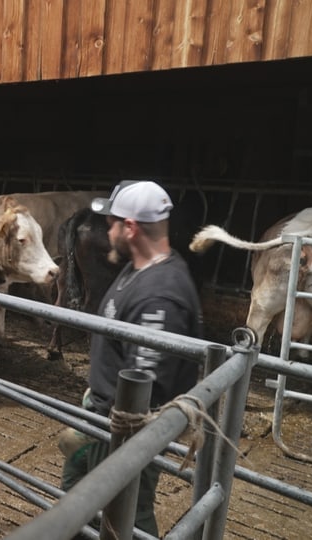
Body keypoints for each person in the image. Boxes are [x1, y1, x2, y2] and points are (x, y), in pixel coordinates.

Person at [59, 180, 203, 536]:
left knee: (128, 519)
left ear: (131, 227)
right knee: (78, 499)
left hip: (124, 436)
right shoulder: (138, 268)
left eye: (112, 222)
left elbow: (146, 389)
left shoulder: (160, 297)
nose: (108, 230)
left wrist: (104, 430)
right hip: (101, 419)